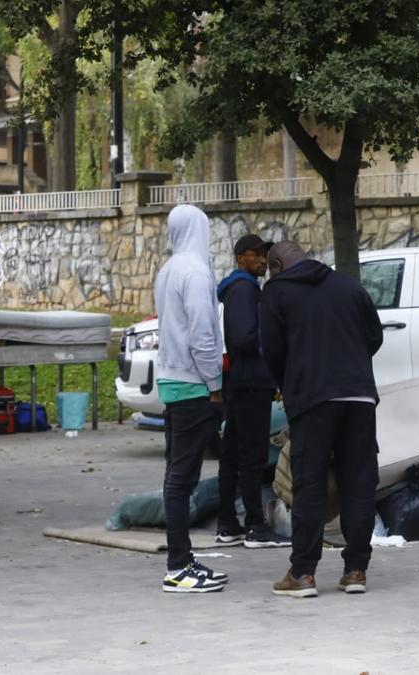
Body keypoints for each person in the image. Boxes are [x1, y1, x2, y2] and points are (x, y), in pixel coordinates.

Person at [259, 241, 385, 598]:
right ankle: (356, 570)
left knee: (309, 481)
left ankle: (303, 573)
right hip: (359, 396)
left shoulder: (277, 292)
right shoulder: (348, 285)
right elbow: (373, 336)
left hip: (312, 398)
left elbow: (272, 349)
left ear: (278, 264)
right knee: (360, 482)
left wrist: (290, 380)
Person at [155, 204, 228, 593]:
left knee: (177, 475)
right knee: (182, 478)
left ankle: (182, 560)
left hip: (172, 380)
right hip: (194, 385)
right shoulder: (197, 272)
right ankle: (178, 566)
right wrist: (215, 384)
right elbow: (203, 335)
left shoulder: (167, 270)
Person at [214, 234, 290, 549]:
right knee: (252, 457)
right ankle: (255, 526)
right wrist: (271, 344)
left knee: (232, 454)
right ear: (241, 257)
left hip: (241, 383)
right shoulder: (244, 289)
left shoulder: (240, 288)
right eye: (257, 255)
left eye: (264, 255)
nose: (263, 260)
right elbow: (244, 337)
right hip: (251, 383)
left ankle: (228, 523)